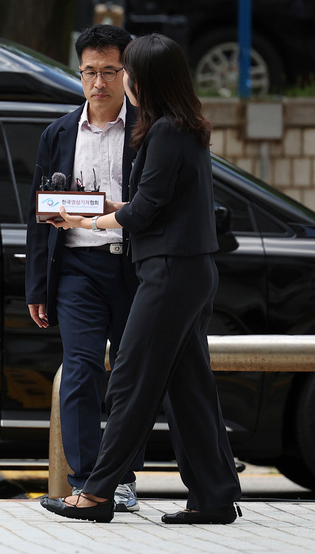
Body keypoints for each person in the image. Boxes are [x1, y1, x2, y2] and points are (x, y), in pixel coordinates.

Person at [40, 33, 243, 524]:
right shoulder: (180, 125)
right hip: (189, 269)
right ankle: (215, 495)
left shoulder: (165, 131)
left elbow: (145, 213)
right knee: (188, 383)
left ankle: (97, 493)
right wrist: (99, 205)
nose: (118, 78)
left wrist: (83, 222)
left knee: (130, 377)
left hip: (169, 271)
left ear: (145, 77)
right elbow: (149, 201)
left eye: (125, 70)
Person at [25, 24, 144, 512]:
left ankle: (122, 478)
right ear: (79, 75)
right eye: (90, 72)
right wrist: (37, 287)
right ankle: (84, 478)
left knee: (131, 373)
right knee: (79, 369)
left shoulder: (146, 128)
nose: (99, 82)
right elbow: (37, 215)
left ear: (126, 74)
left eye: (110, 72)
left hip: (135, 267)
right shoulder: (57, 133)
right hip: (76, 266)